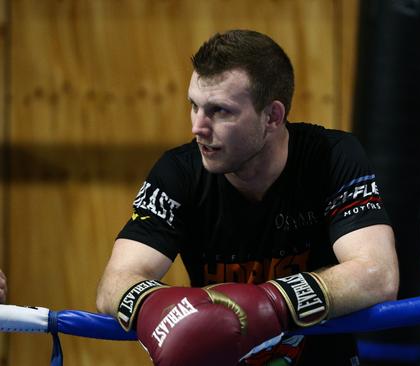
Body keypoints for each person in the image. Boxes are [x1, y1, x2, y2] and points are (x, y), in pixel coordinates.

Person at [95, 29, 399, 365]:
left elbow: (378, 274)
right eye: (194, 106)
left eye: (220, 111)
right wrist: (165, 312)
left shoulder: (332, 156)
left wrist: (270, 304)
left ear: (272, 116)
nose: (198, 126)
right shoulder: (178, 172)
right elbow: (114, 283)